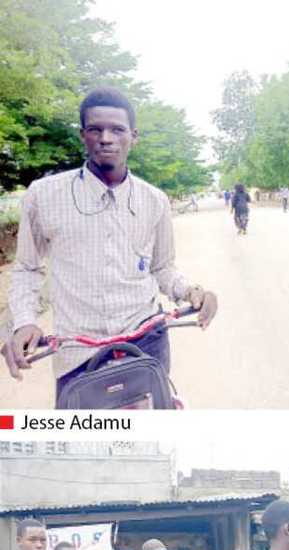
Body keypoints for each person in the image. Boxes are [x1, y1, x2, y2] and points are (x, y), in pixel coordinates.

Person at [3, 86, 218, 405]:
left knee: (153, 438)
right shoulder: (43, 195)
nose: (106, 138)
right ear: (82, 135)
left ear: (133, 136)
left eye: (117, 129)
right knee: (83, 443)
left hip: (146, 343)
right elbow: (27, 269)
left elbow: (162, 268)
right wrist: (24, 322)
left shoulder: (155, 201)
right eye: (95, 129)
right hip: (76, 353)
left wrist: (193, 292)